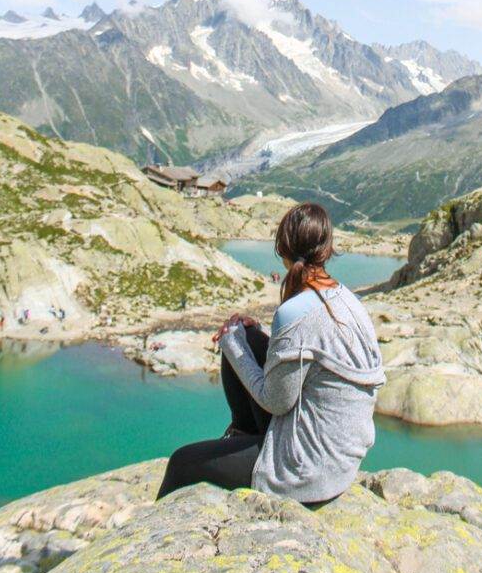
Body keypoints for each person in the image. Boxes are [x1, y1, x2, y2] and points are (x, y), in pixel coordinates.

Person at [156, 202, 385, 506]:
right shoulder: (345, 297)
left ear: (282, 249)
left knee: (181, 462)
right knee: (248, 336)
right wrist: (251, 336)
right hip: (340, 457)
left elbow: (276, 401)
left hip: (305, 469)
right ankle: (243, 438)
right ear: (327, 249)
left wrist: (232, 345)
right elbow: (307, 354)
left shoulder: (294, 313)